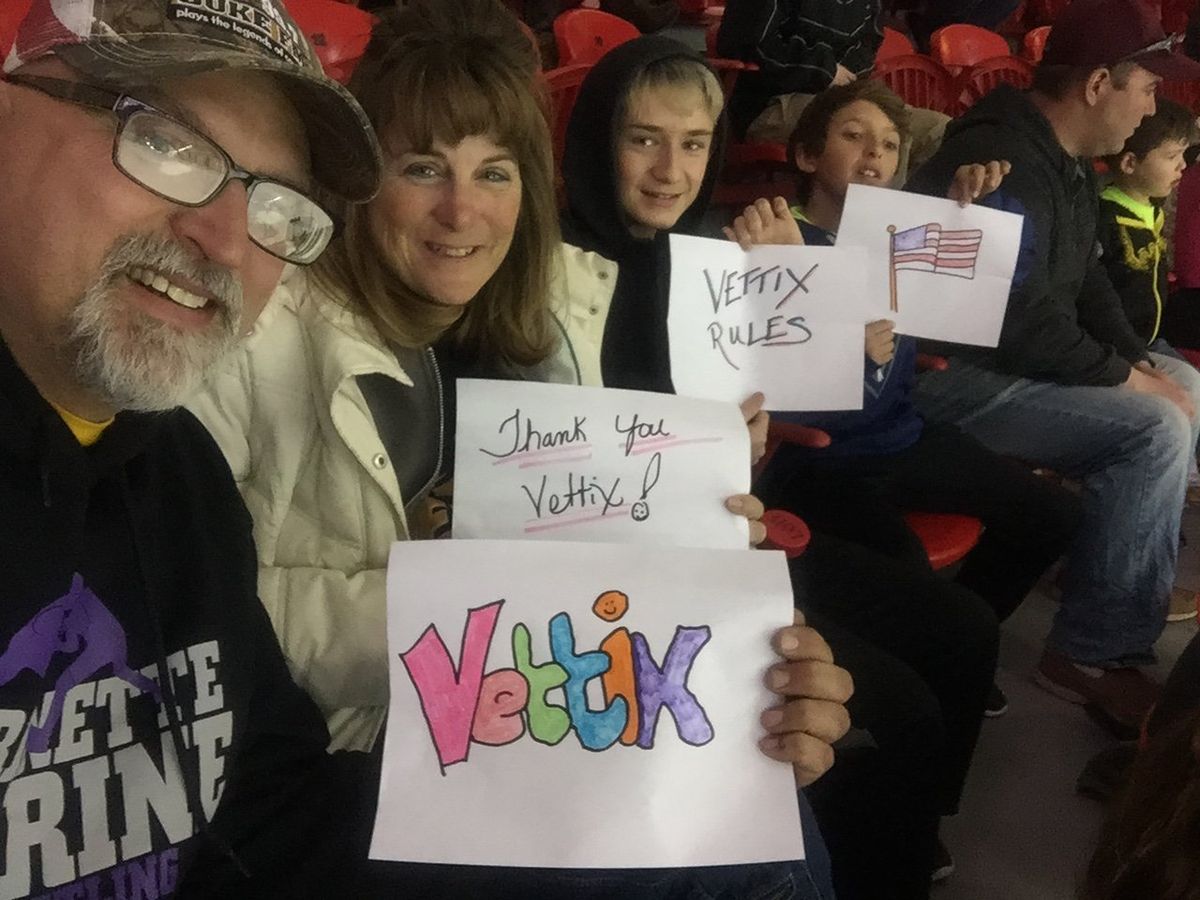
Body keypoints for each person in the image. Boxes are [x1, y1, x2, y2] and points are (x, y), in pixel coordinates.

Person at [185, 3, 850, 897]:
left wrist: (707, 561)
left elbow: (582, 545)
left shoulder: (537, 320)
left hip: (518, 703)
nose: (463, 210)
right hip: (352, 749)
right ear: (359, 179)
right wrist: (479, 623)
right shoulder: (261, 337)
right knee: (752, 863)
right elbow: (212, 611)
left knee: (770, 793)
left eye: (493, 172)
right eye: (423, 167)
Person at [556, 34, 1002, 897]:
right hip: (640, 575)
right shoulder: (545, 269)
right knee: (900, 709)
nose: (669, 170)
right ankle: (882, 852)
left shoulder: (716, 258)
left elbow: (804, 406)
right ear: (595, 141)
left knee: (964, 630)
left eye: (692, 144)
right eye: (642, 138)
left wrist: (805, 295)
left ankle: (903, 837)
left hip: (735, 527)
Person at [725, 78, 1083, 710]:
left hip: (901, 434)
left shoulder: (898, 237)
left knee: (1051, 516)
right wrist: (838, 343)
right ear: (808, 156)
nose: (875, 155)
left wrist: (980, 212)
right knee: (915, 587)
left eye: (889, 145)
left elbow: (1007, 284)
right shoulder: (771, 237)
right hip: (819, 461)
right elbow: (754, 386)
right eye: (853, 136)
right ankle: (933, 668)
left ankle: (967, 642)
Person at [904, 0, 1200, 738]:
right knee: (1155, 426)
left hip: (1007, 358)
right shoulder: (1006, 157)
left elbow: (1087, 281)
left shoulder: (1060, 156)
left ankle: (1109, 573)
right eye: (1148, 88)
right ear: (1099, 84)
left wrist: (1137, 357)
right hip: (944, 376)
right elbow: (1021, 322)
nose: (1153, 105)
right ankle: (1091, 656)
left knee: (1184, 385)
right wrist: (1133, 380)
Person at [715, 0, 949, 180]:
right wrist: (824, 70)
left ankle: (918, 225)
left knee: (942, 130)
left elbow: (868, 46)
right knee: (887, 135)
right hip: (773, 102)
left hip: (847, 98)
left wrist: (849, 79)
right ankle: (874, 227)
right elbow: (746, 44)